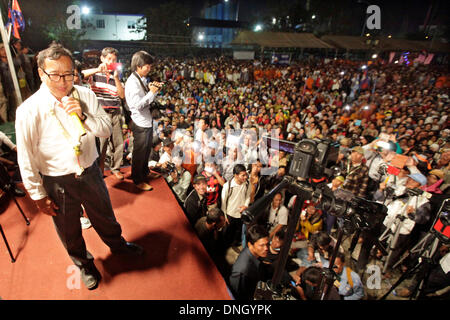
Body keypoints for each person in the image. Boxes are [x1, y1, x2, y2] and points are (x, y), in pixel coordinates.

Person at [15, 43, 144, 290]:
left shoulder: (85, 95)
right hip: (57, 180)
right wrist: (38, 194)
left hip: (91, 171)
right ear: (42, 73)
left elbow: (106, 130)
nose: (64, 81)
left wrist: (84, 115)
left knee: (105, 216)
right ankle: (84, 265)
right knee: (69, 229)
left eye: (69, 73)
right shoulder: (28, 111)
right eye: (56, 75)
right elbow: (26, 157)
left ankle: (118, 246)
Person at [83, 47, 125, 180]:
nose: (111, 62)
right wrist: (98, 69)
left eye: (114, 60)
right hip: (101, 114)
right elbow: (80, 75)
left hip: (116, 112)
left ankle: (116, 169)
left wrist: (117, 78)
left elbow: (122, 95)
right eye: (108, 59)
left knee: (118, 143)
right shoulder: (95, 75)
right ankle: (100, 170)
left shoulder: (116, 76)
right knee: (102, 145)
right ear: (102, 59)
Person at [125, 51, 162, 191]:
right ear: (139, 66)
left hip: (146, 119)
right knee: (139, 152)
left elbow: (147, 97)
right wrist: (151, 92)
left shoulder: (141, 78)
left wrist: (154, 90)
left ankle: (145, 172)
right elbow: (137, 105)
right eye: (147, 66)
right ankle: (137, 179)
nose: (149, 69)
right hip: (139, 121)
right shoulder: (132, 83)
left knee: (146, 150)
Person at [229, 224, 269, 300]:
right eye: (262, 245)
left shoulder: (254, 255)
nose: (266, 248)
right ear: (250, 245)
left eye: (267, 244)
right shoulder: (243, 270)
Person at [221, 164, 251, 251]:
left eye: (245, 175)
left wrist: (246, 205)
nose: (245, 177)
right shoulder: (228, 186)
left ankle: (234, 245)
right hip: (230, 214)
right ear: (235, 175)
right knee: (227, 232)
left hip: (241, 213)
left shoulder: (247, 184)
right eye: (243, 175)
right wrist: (225, 216)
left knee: (238, 231)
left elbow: (248, 196)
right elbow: (223, 202)